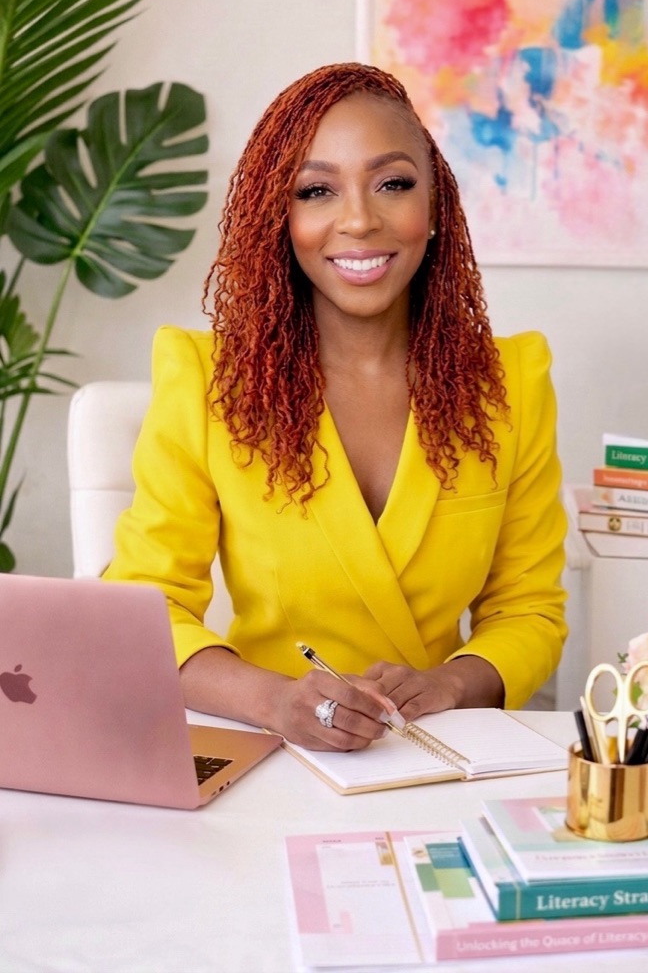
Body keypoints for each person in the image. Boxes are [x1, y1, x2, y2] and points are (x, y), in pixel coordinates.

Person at [104, 62, 567, 751]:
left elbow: (527, 608)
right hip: (268, 750)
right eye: (316, 190)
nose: (357, 218)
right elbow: (144, 608)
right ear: (279, 218)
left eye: (392, 184)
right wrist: (274, 700)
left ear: (434, 206)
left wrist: (452, 682)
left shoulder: (511, 382)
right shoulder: (207, 379)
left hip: (442, 750)